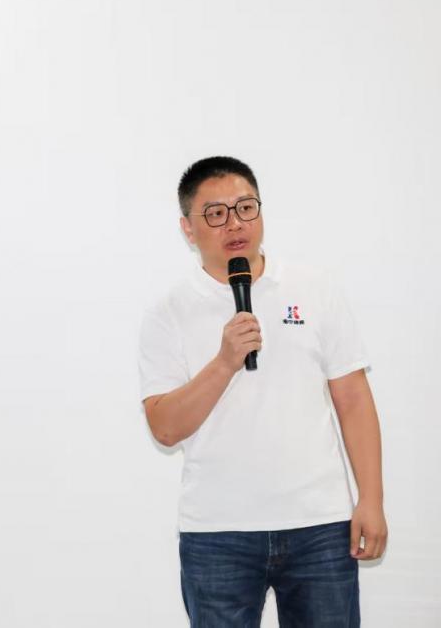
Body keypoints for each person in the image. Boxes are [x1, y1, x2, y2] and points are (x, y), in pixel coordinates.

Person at [139, 156, 387, 626]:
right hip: (218, 533)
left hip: (319, 525)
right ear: (188, 228)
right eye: (215, 213)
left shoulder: (314, 289)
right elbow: (165, 428)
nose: (235, 223)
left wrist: (371, 500)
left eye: (245, 207)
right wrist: (224, 362)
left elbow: (353, 400)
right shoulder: (167, 314)